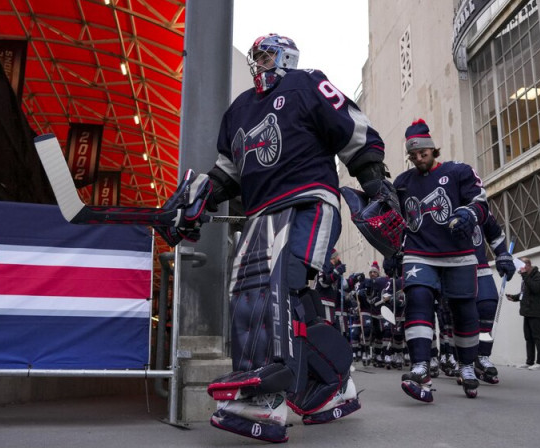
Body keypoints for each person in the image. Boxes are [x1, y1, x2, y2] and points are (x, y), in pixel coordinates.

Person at [160, 33, 398, 443]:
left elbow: (352, 131)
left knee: (281, 283)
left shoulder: (306, 83)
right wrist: (199, 201)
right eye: (255, 55)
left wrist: (376, 182)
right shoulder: (237, 111)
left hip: (307, 199)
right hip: (258, 214)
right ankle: (331, 382)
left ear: (286, 55)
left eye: (266, 53)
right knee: (251, 296)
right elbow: (227, 172)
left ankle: (270, 396)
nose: (258, 61)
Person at [392, 118, 490, 402]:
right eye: (413, 156)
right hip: (419, 251)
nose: (418, 159)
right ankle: (420, 364)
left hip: (458, 255)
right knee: (418, 298)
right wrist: (391, 251)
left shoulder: (459, 172)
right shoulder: (403, 182)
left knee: (464, 312)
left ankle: (468, 367)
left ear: (433, 149)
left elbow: (481, 203)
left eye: (422, 153)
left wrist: (468, 215)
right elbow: (395, 220)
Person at [472, 212, 516, 383]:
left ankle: (482, 356)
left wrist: (502, 254)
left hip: (479, 266)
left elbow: (495, 234)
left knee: (488, 305)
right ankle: (463, 360)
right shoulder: (446, 194)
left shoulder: (479, 205)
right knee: (459, 315)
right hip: (453, 266)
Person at [507, 257, 540, 370]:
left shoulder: (538, 276)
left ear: (527, 265)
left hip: (535, 311)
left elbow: (535, 289)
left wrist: (524, 275)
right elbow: (525, 293)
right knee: (528, 337)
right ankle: (529, 361)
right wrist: (514, 297)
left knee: (537, 337)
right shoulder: (526, 278)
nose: (519, 271)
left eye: (520, 268)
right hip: (526, 311)